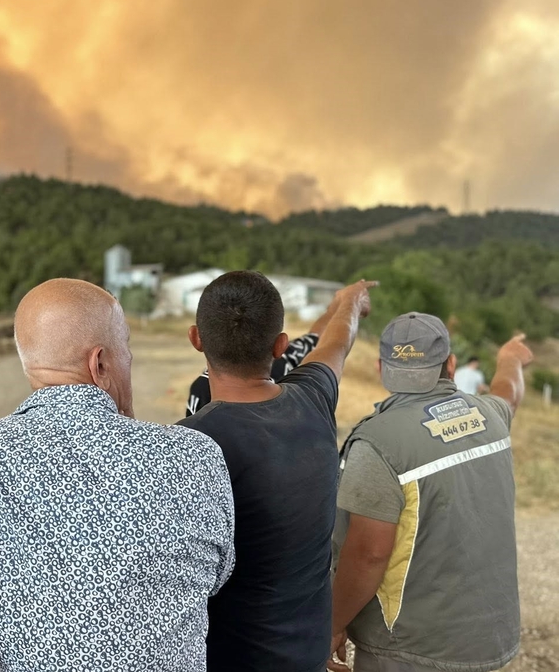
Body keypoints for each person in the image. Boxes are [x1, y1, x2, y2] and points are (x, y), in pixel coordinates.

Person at [0, 278, 235, 671]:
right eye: (125, 346)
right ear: (100, 363)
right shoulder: (195, 455)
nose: (129, 359)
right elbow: (215, 576)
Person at [176, 272, 374, 671]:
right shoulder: (316, 397)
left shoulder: (186, 447)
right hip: (308, 652)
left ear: (196, 338)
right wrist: (350, 301)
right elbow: (338, 341)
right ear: (281, 346)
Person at [329, 316, 531, 672]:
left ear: (381, 368)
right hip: (490, 636)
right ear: (450, 364)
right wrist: (511, 357)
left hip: (410, 647)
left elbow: (368, 555)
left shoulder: (379, 442)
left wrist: (331, 624)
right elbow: (508, 392)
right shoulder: (492, 415)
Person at [185, 297, 338, 416]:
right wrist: (343, 305)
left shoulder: (202, 390)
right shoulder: (285, 365)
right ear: (280, 345)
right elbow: (317, 338)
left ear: (196, 338)